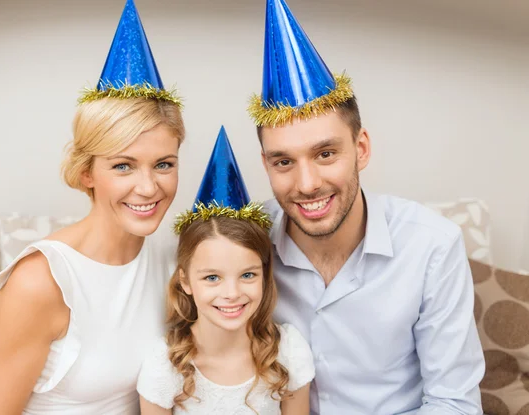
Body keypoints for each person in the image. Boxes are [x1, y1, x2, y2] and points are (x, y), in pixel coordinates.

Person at [248, 0, 485, 414]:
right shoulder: (243, 243)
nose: (306, 185)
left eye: (325, 154)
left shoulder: (431, 246)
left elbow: (454, 404)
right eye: (283, 161)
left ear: (361, 149)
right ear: (266, 164)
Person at [0, 1, 185, 413]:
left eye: (164, 164)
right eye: (123, 166)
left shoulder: (172, 257)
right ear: (87, 172)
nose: (148, 187)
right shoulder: (41, 283)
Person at [136, 127, 315, 415]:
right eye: (212, 277)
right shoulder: (167, 364)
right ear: (185, 280)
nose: (232, 294)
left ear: (264, 274)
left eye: (247, 275)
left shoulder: (287, 352)